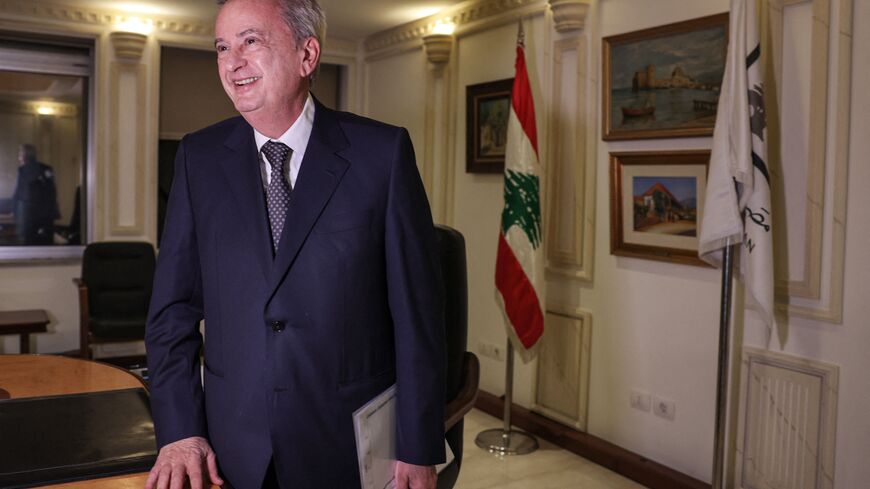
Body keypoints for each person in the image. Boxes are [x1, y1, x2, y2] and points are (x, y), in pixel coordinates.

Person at [144, 0, 446, 488]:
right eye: (222, 46)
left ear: (307, 56)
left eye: (251, 41)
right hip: (231, 448)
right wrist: (179, 432)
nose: (232, 61)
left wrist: (417, 445)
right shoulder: (197, 158)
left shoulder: (381, 154)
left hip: (347, 445)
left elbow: (418, 316)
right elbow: (172, 311)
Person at [12, 144, 59, 245]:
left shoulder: (24, 170)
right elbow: (52, 192)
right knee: (44, 243)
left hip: (31, 215)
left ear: (25, 155)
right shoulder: (45, 169)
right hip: (44, 215)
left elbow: (19, 192)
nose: (19, 157)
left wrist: (14, 209)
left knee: (30, 242)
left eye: (20, 153)